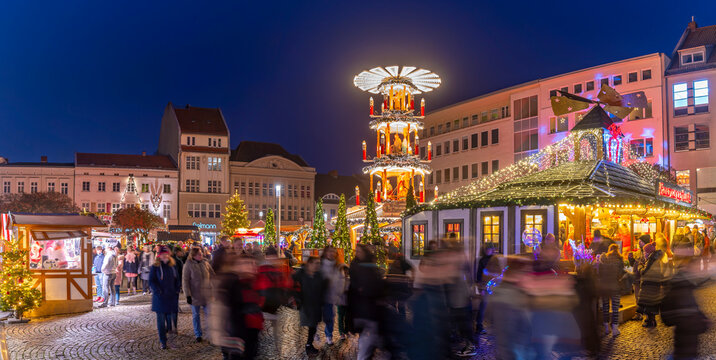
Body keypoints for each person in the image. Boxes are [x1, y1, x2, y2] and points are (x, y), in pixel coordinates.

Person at [662, 245, 712, 359]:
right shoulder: (682, 284)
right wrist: (703, 322)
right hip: (685, 345)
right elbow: (686, 316)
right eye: (695, 264)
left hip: (685, 344)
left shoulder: (683, 283)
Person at [211, 254, 263, 360]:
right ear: (237, 266)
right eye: (246, 263)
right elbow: (221, 311)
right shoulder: (231, 283)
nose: (252, 266)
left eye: (253, 263)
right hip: (236, 336)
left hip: (252, 334)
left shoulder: (253, 282)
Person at [348, 245, 384, 360]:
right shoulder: (355, 265)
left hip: (370, 309)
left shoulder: (369, 265)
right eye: (356, 251)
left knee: (370, 337)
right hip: (361, 308)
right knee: (367, 338)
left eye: (359, 251)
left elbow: (376, 284)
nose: (357, 253)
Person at [293, 256, 326, 356]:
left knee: (313, 326)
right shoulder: (301, 274)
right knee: (311, 325)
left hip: (316, 305)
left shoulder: (318, 275)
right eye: (315, 263)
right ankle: (308, 346)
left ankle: (309, 344)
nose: (317, 265)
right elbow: (293, 285)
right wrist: (297, 299)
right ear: (309, 264)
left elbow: (323, 288)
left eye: (319, 263)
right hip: (306, 305)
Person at [149, 246, 180, 350]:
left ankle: (171, 341)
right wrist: (158, 290)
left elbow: (177, 279)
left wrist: (177, 289)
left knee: (170, 321)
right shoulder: (155, 266)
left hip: (171, 297)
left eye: (166, 254)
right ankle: (163, 341)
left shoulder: (172, 265)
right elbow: (151, 281)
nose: (165, 256)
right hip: (160, 298)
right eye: (163, 254)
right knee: (161, 322)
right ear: (160, 255)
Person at [637, 235, 671, 328]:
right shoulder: (655, 258)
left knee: (649, 304)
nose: (644, 253)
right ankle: (651, 320)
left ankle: (650, 321)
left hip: (649, 285)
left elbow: (644, 271)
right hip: (653, 284)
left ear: (648, 252)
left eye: (645, 251)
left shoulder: (651, 260)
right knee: (650, 304)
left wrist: (639, 267)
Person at [183, 246, 214, 342]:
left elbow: (213, 275)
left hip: (207, 293)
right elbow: (185, 280)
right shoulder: (188, 265)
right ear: (194, 255)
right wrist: (187, 295)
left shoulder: (205, 263)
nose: (201, 255)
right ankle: (198, 334)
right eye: (199, 254)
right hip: (195, 295)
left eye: (201, 253)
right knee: (196, 315)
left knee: (209, 314)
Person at [597, 244, 625, 336]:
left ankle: (606, 328)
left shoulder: (604, 259)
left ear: (609, 250)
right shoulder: (620, 260)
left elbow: (599, 273)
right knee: (615, 308)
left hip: (604, 287)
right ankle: (615, 329)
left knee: (605, 307)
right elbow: (620, 274)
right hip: (615, 287)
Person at [320, 245, 341, 345]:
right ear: (325, 252)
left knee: (330, 317)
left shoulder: (337, 266)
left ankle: (329, 336)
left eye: (333, 252)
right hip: (319, 296)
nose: (331, 253)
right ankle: (313, 334)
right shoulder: (320, 264)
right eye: (329, 251)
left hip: (330, 296)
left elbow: (339, 281)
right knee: (316, 317)